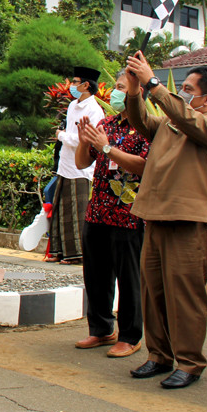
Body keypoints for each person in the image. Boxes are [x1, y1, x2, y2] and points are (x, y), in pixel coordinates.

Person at [123, 53, 207, 389]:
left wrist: (154, 84)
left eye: (188, 89)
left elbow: (187, 119)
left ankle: (190, 362)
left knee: (184, 295)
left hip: (189, 221)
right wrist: (133, 91)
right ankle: (159, 355)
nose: (182, 93)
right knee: (152, 292)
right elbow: (142, 121)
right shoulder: (172, 124)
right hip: (156, 215)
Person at [72, 70, 149, 357]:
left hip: (129, 213)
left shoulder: (148, 128)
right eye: (115, 86)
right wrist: (84, 141)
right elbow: (82, 163)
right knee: (96, 274)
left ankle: (130, 336)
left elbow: (143, 166)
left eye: (121, 87)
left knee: (129, 278)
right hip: (98, 209)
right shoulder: (107, 123)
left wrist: (107, 147)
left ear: (137, 93)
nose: (114, 92)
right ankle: (102, 329)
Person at [47, 66, 105, 264]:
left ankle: (76, 254)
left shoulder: (95, 110)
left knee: (76, 211)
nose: (72, 85)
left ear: (86, 85)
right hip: (65, 165)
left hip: (81, 168)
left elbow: (86, 140)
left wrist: (61, 136)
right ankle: (58, 250)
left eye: (75, 82)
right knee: (60, 209)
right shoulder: (72, 106)